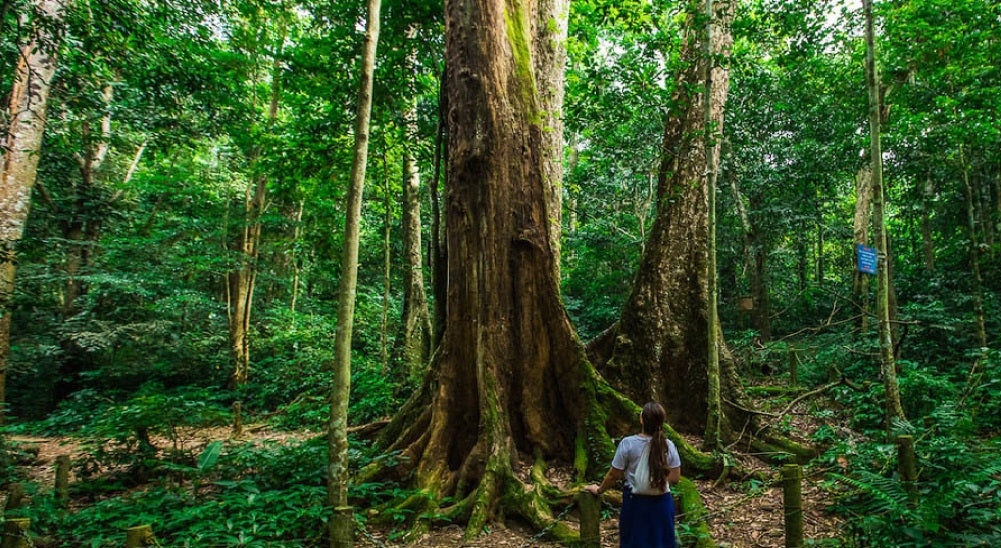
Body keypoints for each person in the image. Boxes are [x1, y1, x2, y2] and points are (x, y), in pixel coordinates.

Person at [584, 402, 681, 548]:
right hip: (662, 504)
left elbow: (613, 475)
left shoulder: (628, 444)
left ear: (641, 419)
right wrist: (655, 482)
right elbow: (675, 477)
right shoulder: (668, 446)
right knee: (661, 542)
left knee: (634, 542)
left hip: (635, 504)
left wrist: (599, 490)